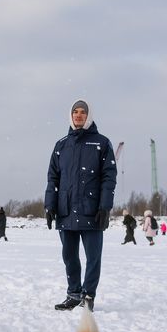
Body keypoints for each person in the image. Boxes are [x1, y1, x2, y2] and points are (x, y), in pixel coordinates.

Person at [45, 99, 117, 312]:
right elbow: (53, 178)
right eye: (75, 112)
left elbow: (109, 177)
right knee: (69, 256)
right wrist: (50, 205)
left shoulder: (101, 143)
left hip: (92, 211)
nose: (78, 115)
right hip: (66, 211)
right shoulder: (61, 144)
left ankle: (88, 295)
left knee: (93, 257)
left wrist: (105, 207)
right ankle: (73, 293)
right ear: (71, 115)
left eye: (82, 112)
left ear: (89, 116)